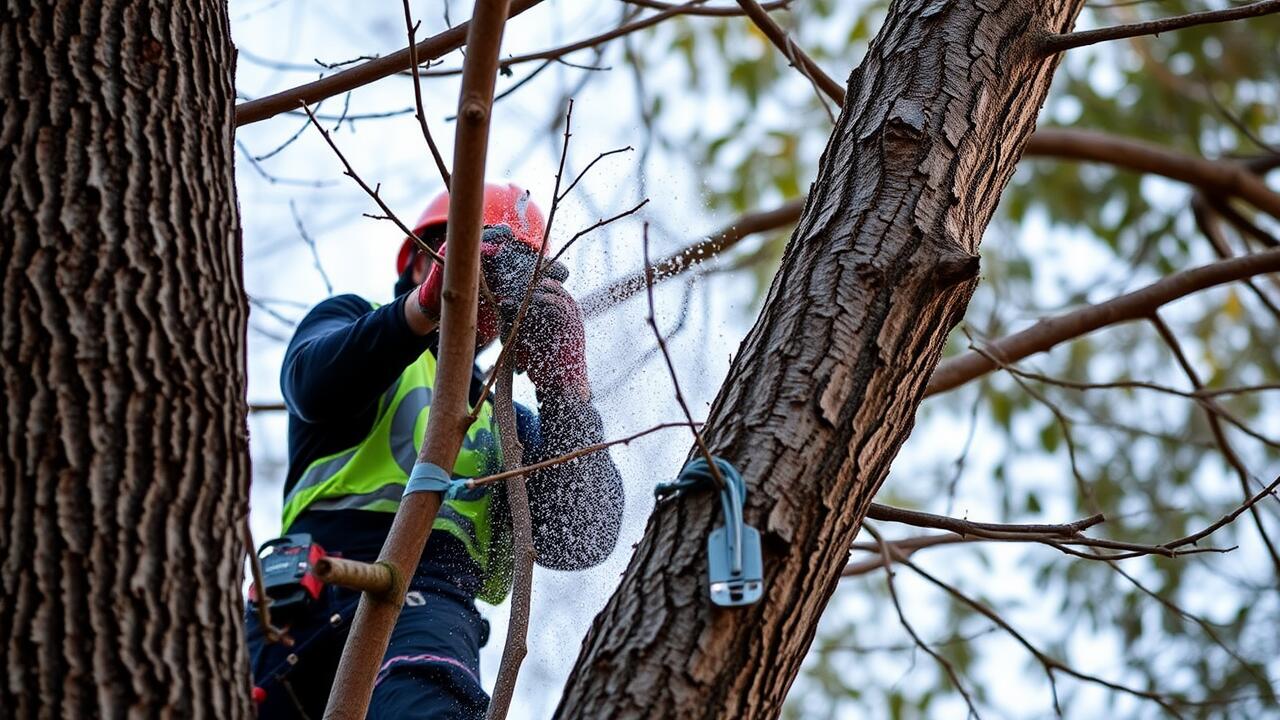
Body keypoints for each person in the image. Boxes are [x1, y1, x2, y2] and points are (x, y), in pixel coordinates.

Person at [245, 182, 624, 719]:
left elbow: (583, 536)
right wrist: (424, 309)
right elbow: (312, 382)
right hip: (306, 598)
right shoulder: (356, 325)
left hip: (432, 608)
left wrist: (567, 391)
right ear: (424, 259)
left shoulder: (510, 425)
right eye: (472, 258)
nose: (485, 285)